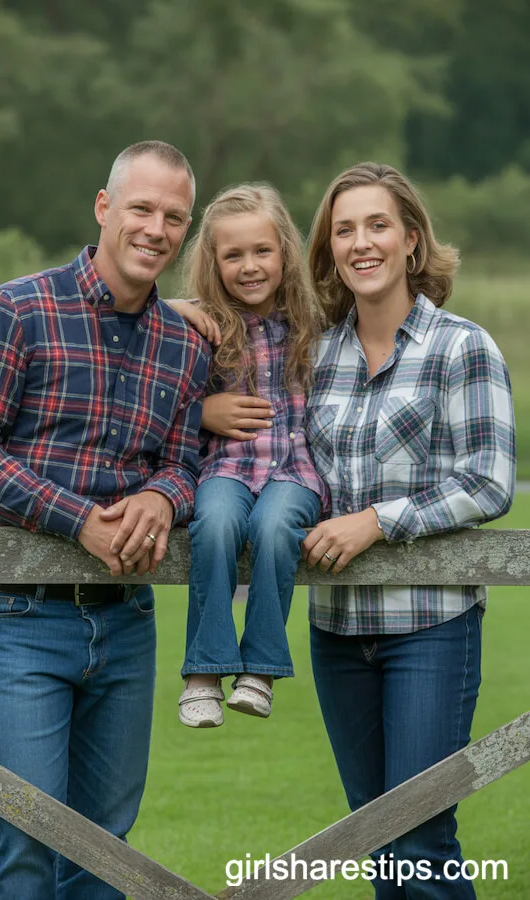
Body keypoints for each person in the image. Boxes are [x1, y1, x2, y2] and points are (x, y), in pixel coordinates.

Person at [0, 141, 210, 900]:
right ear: (103, 207)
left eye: (174, 217)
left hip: (127, 621)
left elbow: (183, 461)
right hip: (20, 619)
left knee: (104, 854)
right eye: (142, 209)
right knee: (26, 841)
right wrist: (78, 521)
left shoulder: (184, 346)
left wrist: (162, 498)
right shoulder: (15, 308)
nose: (156, 229)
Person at [300, 162, 515, 897]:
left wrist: (378, 523)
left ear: (412, 241)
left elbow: (488, 481)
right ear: (329, 251)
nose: (361, 243)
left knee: (418, 837)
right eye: (344, 229)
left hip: (431, 626)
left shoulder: (462, 347)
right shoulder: (315, 355)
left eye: (378, 225)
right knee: (374, 835)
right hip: (334, 629)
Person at [175, 184, 326, 728]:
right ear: (213, 263)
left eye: (262, 251)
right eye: (232, 254)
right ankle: (204, 671)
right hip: (228, 469)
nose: (249, 266)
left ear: (285, 251)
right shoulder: (204, 325)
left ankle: (260, 669)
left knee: (275, 525)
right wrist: (200, 412)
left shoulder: (315, 320)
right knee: (212, 522)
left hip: (295, 470)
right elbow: (137, 321)